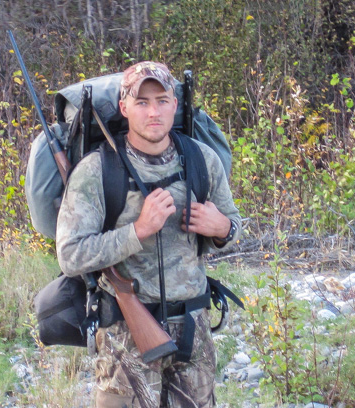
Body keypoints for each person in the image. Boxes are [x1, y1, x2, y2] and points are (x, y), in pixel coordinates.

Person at [56, 61, 241, 407]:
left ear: (175, 104)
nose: (153, 111)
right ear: (124, 107)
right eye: (142, 102)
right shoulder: (98, 170)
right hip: (126, 332)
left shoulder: (202, 160)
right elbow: (70, 256)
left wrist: (222, 228)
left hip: (193, 329)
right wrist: (137, 232)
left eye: (162, 100)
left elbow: (233, 224)